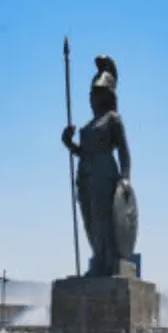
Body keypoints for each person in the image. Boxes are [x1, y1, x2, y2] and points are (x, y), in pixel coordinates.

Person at [61, 55, 133, 277]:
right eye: (92, 94)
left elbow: (123, 150)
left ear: (108, 96)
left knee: (103, 220)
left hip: (104, 172)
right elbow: (83, 152)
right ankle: (98, 260)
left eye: (98, 94)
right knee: (89, 220)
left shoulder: (113, 119)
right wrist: (68, 143)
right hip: (85, 173)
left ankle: (107, 262)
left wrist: (125, 177)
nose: (93, 98)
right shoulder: (88, 125)